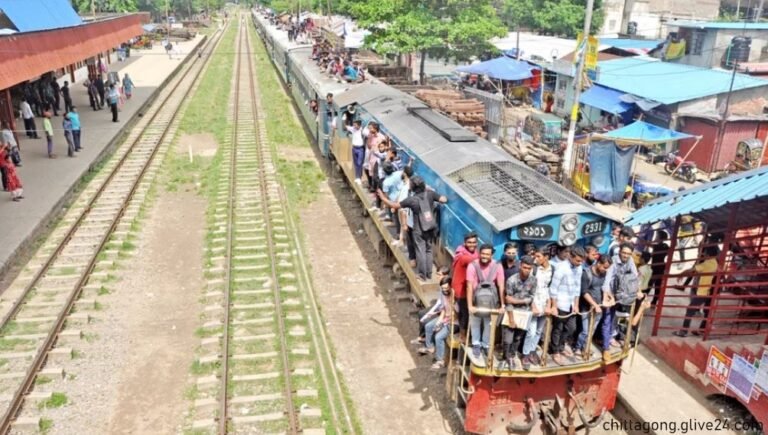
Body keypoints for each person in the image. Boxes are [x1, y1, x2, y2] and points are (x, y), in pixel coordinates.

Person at [378, 175, 447, 281]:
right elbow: (443, 199)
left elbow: (394, 205)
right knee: (428, 250)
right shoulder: (430, 194)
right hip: (430, 227)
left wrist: (383, 198)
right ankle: (428, 273)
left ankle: (422, 275)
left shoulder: (411, 200)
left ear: (413, 187)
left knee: (420, 251)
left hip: (418, 229)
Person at [466, 244, 505, 366]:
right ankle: (476, 344)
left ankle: (486, 345)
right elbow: (469, 286)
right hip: (476, 301)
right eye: (483, 253)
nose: (484, 256)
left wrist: (502, 305)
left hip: (491, 301)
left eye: (487, 254)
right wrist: (469, 305)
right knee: (475, 322)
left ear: (491, 255)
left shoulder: (497, 266)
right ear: (479, 253)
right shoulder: (472, 266)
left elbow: (501, 285)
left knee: (489, 324)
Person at [548, 246, 586, 365]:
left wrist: (576, 304)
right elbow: (553, 289)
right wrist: (554, 306)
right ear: (571, 257)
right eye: (578, 260)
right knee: (558, 328)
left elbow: (577, 288)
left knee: (571, 328)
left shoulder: (579, 268)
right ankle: (555, 351)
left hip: (571, 304)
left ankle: (561, 346)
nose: (580, 263)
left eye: (581, 261)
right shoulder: (561, 269)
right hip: (561, 303)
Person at [601, 242, 639, 360]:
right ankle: (605, 348)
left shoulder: (630, 261)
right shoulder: (613, 261)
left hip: (622, 296)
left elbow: (635, 276)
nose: (626, 256)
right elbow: (607, 281)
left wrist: (637, 290)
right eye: (624, 253)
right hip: (611, 295)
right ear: (620, 251)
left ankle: (613, 338)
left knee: (617, 319)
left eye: (628, 254)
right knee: (607, 320)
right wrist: (607, 295)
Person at [673, 246, 720, 337]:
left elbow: (692, 270)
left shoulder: (706, 263)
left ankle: (684, 331)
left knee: (690, 310)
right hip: (710, 291)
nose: (704, 254)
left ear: (708, 254)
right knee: (707, 311)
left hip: (703, 292)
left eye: (705, 252)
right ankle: (702, 330)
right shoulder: (715, 263)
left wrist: (681, 274)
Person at [502, 256, 536, 370]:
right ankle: (506, 356)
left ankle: (512, 355)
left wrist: (519, 301)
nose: (526, 270)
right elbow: (508, 301)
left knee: (517, 338)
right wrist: (511, 319)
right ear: (520, 265)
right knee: (508, 339)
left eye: (529, 268)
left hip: (524, 314)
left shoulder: (533, 280)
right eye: (525, 267)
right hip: (511, 313)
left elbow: (531, 297)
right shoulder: (511, 280)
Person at [574, 255, 611, 358]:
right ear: (598, 263)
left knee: (592, 330)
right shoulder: (586, 273)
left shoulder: (604, 274)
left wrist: (608, 298)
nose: (605, 270)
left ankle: (586, 347)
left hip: (599, 307)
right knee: (585, 330)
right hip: (586, 307)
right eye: (604, 267)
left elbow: (605, 288)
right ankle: (578, 347)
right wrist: (594, 305)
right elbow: (584, 292)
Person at [418, 277, 458, 371]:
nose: (444, 290)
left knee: (438, 337)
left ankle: (440, 361)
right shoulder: (444, 296)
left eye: (446, 288)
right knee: (429, 326)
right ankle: (430, 347)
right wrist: (440, 321)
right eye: (442, 288)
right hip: (445, 318)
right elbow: (444, 309)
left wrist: (443, 323)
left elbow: (456, 316)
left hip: (454, 323)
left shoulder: (455, 298)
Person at [522, 248, 553, 368]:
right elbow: (527, 288)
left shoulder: (552, 269)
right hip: (534, 303)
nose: (536, 259)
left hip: (544, 303)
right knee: (531, 331)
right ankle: (525, 354)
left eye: (539, 256)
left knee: (539, 330)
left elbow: (549, 288)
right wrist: (532, 305)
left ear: (546, 257)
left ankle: (532, 350)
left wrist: (549, 305)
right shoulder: (533, 270)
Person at [451, 232, 479, 341]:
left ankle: (465, 333)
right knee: (465, 313)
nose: (472, 244)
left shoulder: (463, 252)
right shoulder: (464, 257)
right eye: (469, 242)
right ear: (465, 243)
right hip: (461, 289)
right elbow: (478, 262)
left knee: (463, 312)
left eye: (474, 242)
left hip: (464, 287)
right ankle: (463, 335)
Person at [649, 231, 669, 307]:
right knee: (657, 286)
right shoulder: (665, 246)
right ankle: (654, 302)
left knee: (649, 284)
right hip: (661, 267)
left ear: (660, 237)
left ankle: (643, 300)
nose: (655, 237)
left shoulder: (657, 246)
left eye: (657, 236)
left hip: (655, 267)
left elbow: (648, 244)